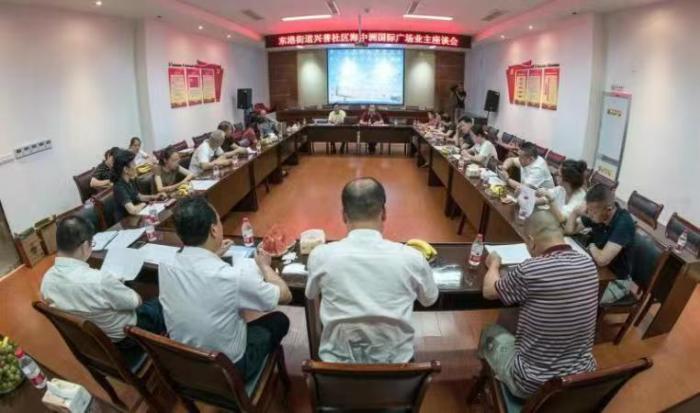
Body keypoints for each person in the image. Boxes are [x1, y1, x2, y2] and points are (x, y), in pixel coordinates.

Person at [159, 196, 292, 382]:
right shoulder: (230, 277)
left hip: (187, 365)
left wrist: (212, 254)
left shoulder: (165, 265)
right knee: (280, 320)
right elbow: (285, 295)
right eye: (219, 221)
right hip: (228, 371)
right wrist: (264, 266)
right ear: (214, 230)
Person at [306, 178, 438, 363]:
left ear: (344, 215)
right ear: (384, 213)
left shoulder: (321, 256)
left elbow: (311, 294)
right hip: (397, 370)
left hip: (334, 370)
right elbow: (429, 299)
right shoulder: (412, 258)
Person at [480, 210, 598, 398]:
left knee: (490, 332)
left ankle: (487, 383)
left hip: (532, 383)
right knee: (517, 315)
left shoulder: (531, 269)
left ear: (531, 241)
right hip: (580, 380)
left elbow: (488, 291)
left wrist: (493, 264)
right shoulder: (589, 265)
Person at [40, 216, 165, 363]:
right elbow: (136, 301)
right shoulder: (99, 280)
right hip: (126, 338)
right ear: (85, 245)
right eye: (92, 244)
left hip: (93, 341)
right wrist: (114, 285)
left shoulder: (46, 280)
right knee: (162, 302)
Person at [565, 184, 636, 304]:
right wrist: (575, 213)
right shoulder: (596, 212)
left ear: (608, 210)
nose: (589, 215)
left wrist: (591, 245)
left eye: (593, 213)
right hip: (596, 270)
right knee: (564, 285)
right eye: (588, 210)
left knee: (575, 298)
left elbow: (602, 260)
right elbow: (569, 231)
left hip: (616, 281)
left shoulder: (624, 223)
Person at [111, 149, 166, 222]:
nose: (136, 166)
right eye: (133, 164)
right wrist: (143, 204)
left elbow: (139, 196)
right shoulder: (119, 187)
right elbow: (132, 210)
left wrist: (155, 197)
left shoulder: (130, 180)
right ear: (126, 169)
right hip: (126, 222)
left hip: (136, 218)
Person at [536, 160, 588, 224]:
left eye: (559, 175)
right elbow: (544, 199)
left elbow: (562, 219)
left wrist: (549, 197)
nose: (556, 175)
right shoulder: (561, 189)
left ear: (568, 179)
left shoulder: (580, 197)